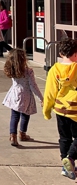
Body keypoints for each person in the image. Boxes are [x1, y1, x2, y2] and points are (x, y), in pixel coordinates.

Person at [43, 39, 77, 179]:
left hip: (60, 110)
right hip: (75, 110)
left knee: (64, 138)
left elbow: (50, 92)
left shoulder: (54, 70)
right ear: (75, 53)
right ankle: (70, 158)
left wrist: (46, 110)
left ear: (60, 53)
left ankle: (66, 166)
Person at [2, 49, 43, 146]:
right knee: (25, 114)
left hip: (14, 94)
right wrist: (41, 98)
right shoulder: (28, 71)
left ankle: (13, 135)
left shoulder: (12, 69)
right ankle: (22, 133)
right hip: (26, 95)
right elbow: (33, 86)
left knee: (14, 115)